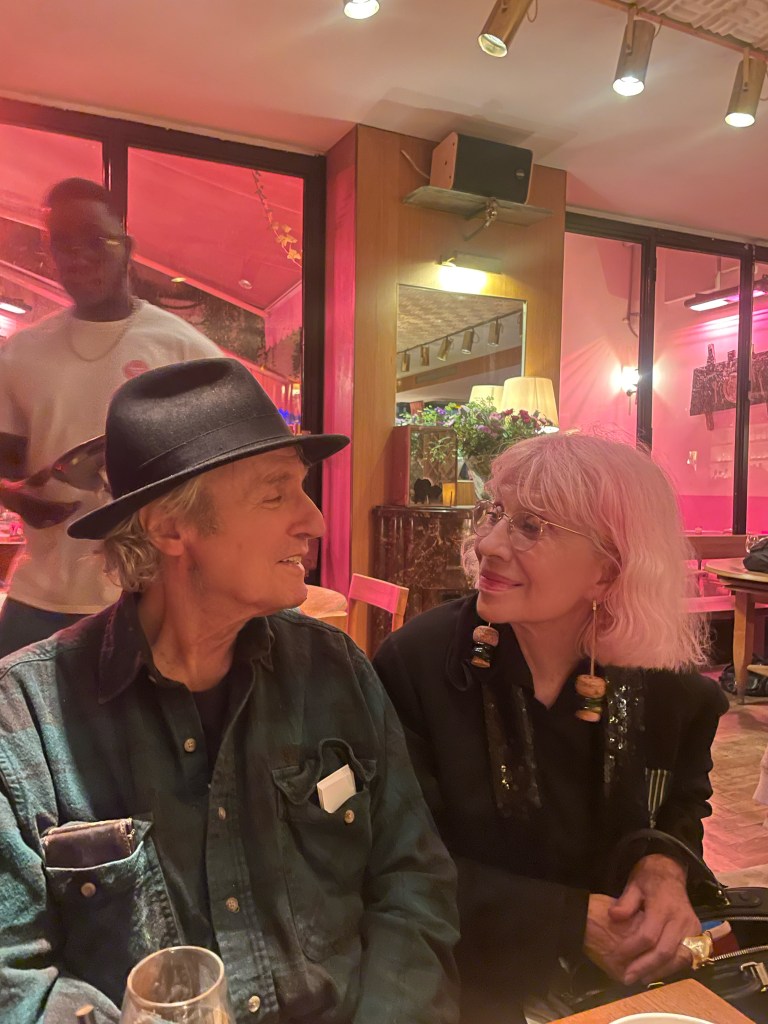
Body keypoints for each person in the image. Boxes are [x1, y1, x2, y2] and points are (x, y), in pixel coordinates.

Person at [0, 357, 459, 1024]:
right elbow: (14, 980)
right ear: (169, 527)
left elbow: (413, 883)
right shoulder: (26, 722)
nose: (315, 521)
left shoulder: (336, 671)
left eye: (302, 490)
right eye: (275, 495)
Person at [373, 432, 729, 1024]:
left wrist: (664, 866)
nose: (487, 543)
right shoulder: (420, 665)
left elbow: (682, 801)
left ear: (608, 571)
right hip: (464, 985)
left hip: (622, 993)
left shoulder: (667, 683)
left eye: (531, 526)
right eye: (495, 513)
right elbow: (397, 858)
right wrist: (567, 922)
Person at [0, 177, 220, 657]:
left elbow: (226, 465)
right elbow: (5, 467)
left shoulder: (184, 349)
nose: (78, 257)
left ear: (128, 248)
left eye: (95, 241)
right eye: (63, 244)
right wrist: (17, 498)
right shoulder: (20, 353)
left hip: (147, 594)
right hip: (40, 597)